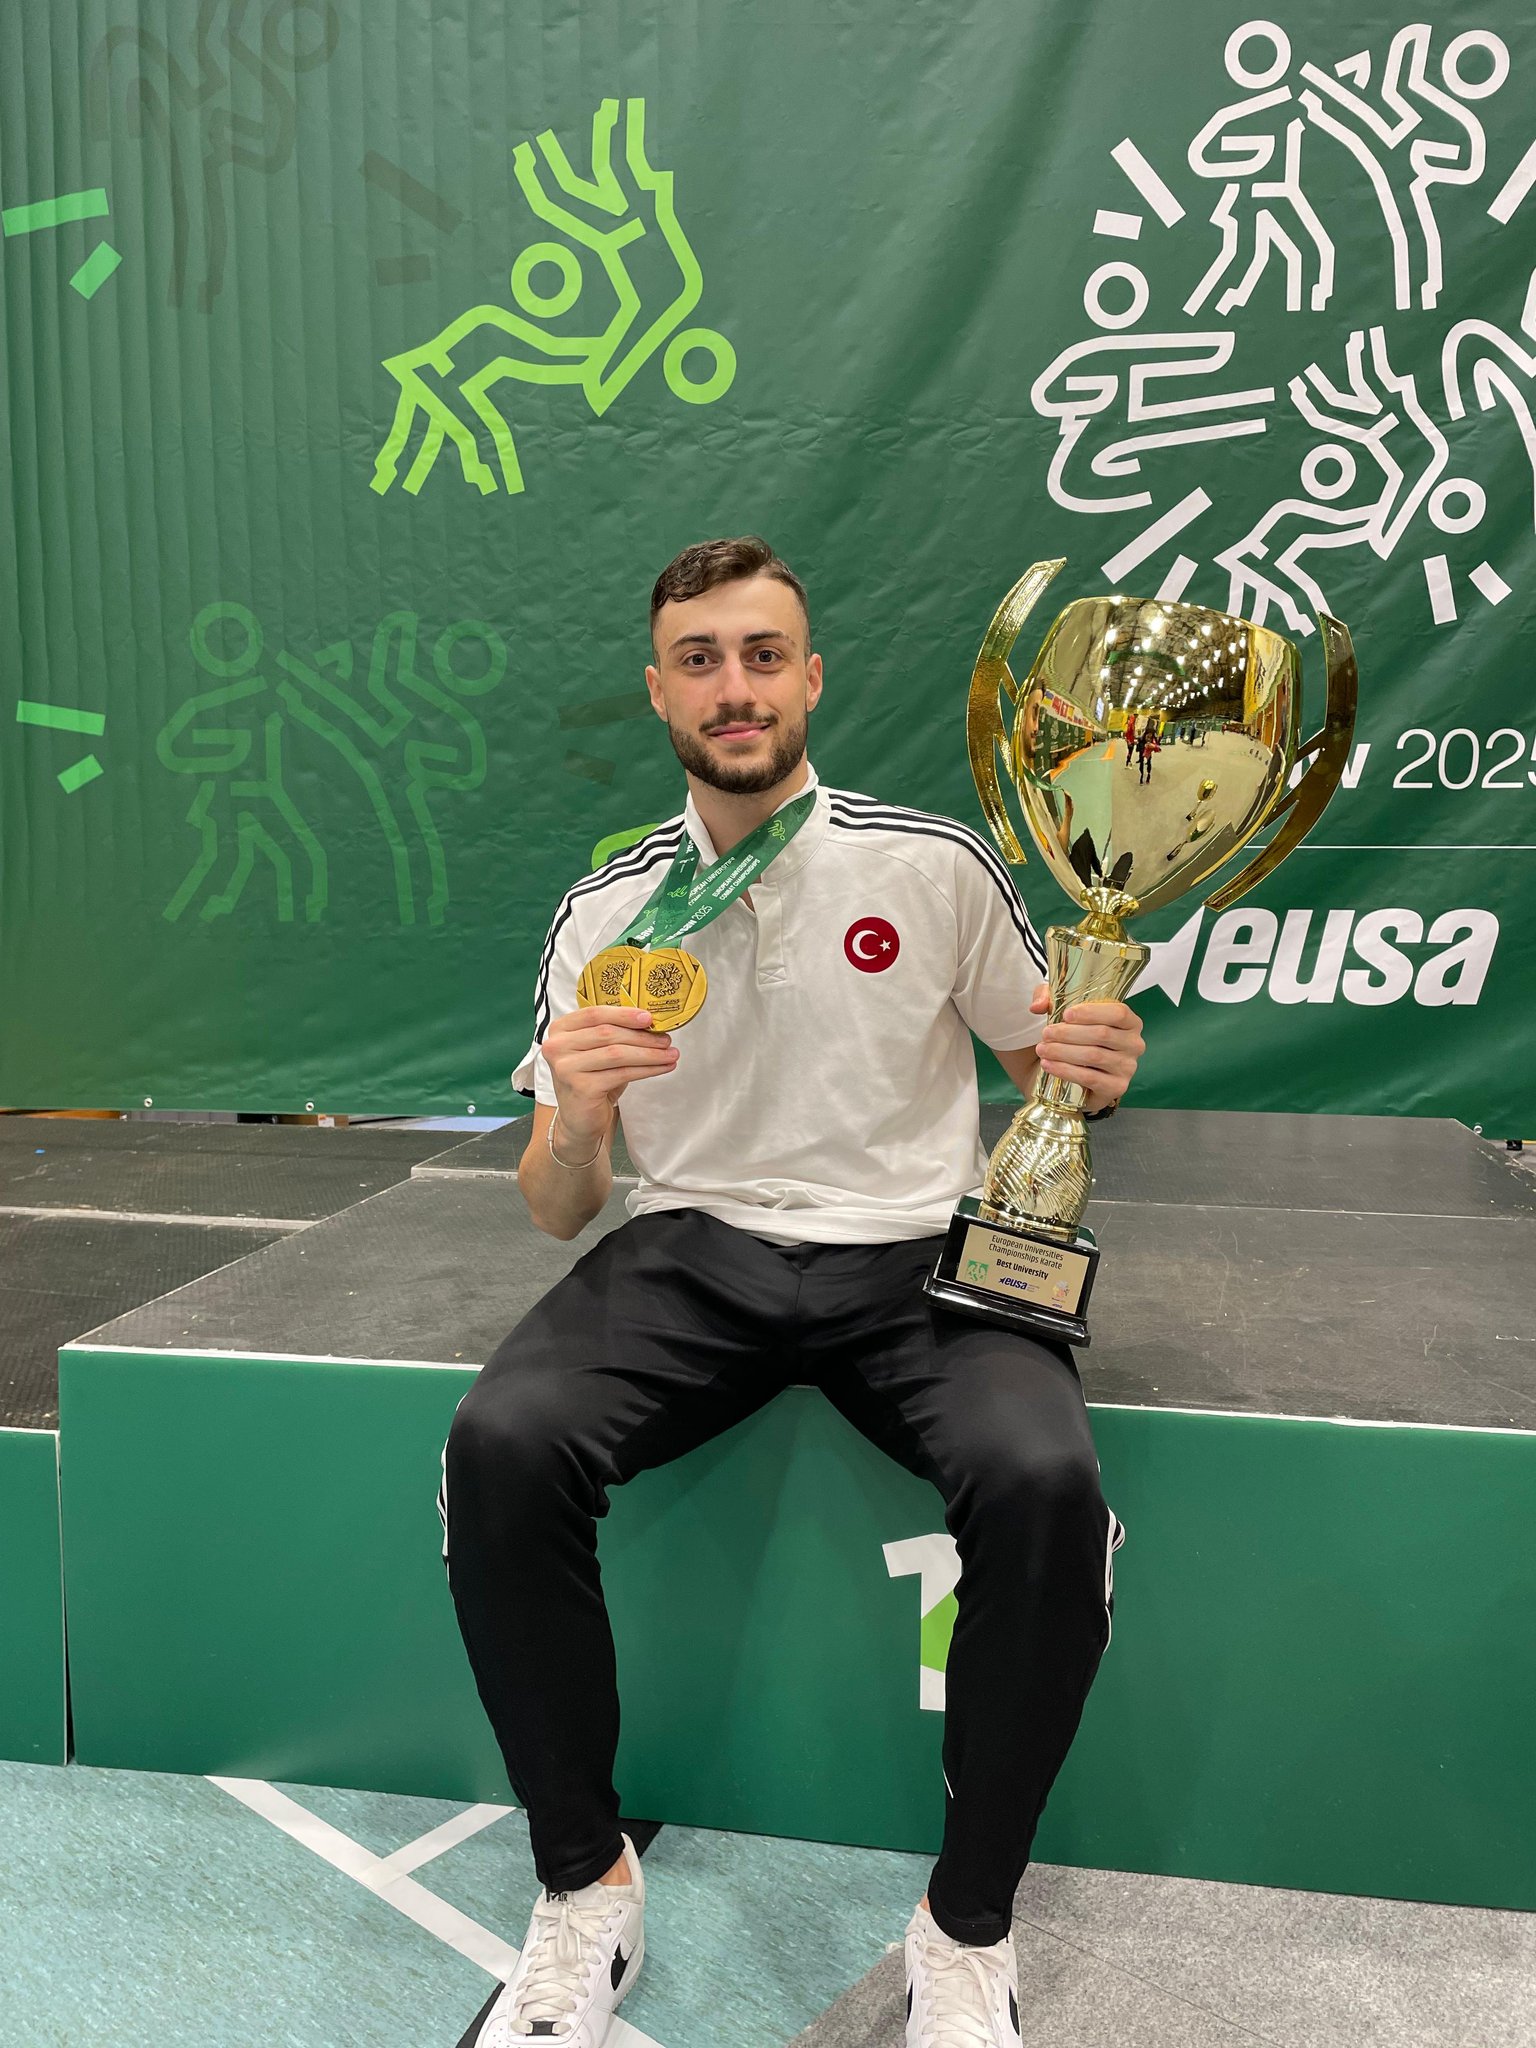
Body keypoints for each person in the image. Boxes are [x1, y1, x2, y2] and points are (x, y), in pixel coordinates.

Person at [441, 536, 1145, 2048]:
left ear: (811, 678)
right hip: (690, 1247)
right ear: (657, 693)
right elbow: (560, 1207)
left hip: (918, 1252)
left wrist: (1091, 1062)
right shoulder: (608, 911)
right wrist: (576, 1114)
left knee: (1044, 1483)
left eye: (763, 655)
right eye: (700, 660)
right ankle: (585, 1884)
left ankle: (966, 1929)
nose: (735, 686)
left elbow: (1047, 1069)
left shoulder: (932, 864)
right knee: (499, 1444)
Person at [1136, 717, 1160, 784]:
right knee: (1141, 762)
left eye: (1151, 734)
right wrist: (1143, 746)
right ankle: (1141, 776)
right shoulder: (1142, 738)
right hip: (1142, 748)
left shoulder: (1153, 738)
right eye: (1148, 734)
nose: (1149, 735)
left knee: (1149, 762)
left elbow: (1157, 747)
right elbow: (1139, 742)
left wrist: (1154, 746)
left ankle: (1148, 775)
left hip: (1149, 750)